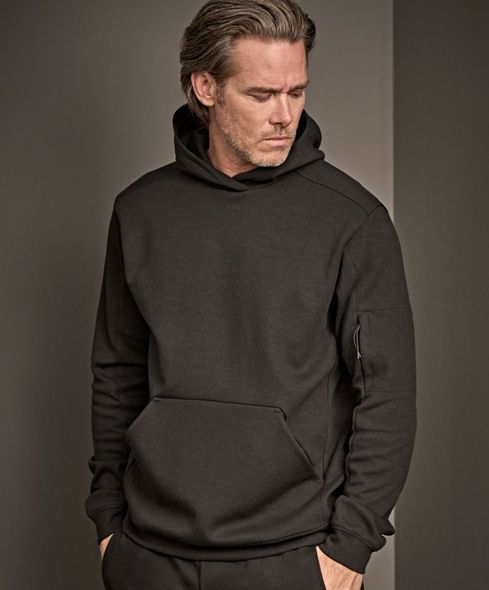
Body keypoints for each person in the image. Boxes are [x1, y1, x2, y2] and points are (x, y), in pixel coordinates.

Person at [84, 1, 417, 589]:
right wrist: (109, 521)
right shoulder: (141, 211)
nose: (284, 115)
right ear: (206, 87)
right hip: (147, 552)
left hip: (292, 558)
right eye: (261, 94)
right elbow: (117, 371)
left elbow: (387, 394)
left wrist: (349, 549)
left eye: (297, 92)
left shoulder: (351, 219)